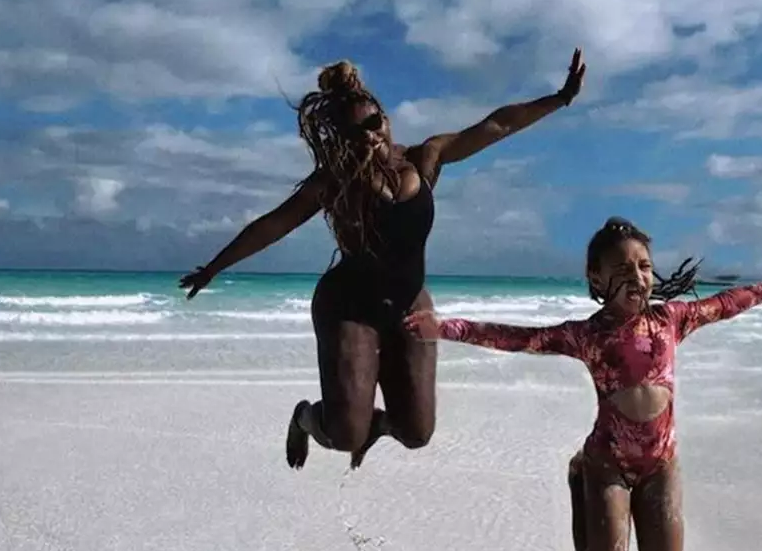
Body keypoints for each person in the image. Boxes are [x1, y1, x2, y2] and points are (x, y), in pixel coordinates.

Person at [179, 51, 587, 469]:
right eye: (356, 133)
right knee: (343, 433)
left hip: (409, 302)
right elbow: (274, 224)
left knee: (416, 433)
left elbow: (497, 125)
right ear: (341, 138)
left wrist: (560, 98)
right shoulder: (334, 183)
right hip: (348, 307)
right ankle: (305, 416)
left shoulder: (425, 158)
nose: (371, 137)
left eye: (375, 124)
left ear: (386, 118)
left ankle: (376, 426)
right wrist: (215, 266)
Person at [405, 217, 762, 551]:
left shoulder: (672, 319)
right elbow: (514, 337)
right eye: (622, 268)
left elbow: (728, 302)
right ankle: (580, 476)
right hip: (608, 462)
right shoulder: (586, 335)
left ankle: (612, 488)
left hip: (660, 462)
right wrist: (443, 326)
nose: (637, 277)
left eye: (644, 266)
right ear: (596, 277)